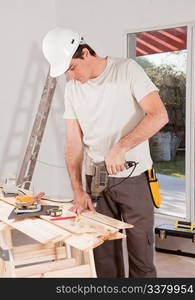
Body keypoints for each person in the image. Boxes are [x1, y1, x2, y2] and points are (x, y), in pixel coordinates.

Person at [42, 27, 169, 278]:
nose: (71, 76)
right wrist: (78, 190)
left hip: (134, 176)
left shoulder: (126, 70)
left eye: (72, 68)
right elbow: (73, 143)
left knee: (140, 256)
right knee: (103, 257)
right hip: (97, 179)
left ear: (86, 53)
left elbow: (159, 115)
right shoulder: (72, 90)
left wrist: (121, 147)